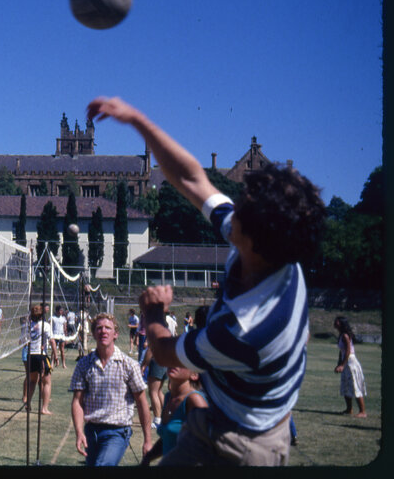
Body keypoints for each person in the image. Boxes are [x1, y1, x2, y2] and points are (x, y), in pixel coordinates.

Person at [88, 96, 327, 466]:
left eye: (243, 207)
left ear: (254, 239)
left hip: (246, 444)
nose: (235, 206)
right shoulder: (271, 246)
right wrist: (137, 120)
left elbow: (166, 353)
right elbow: (190, 178)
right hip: (219, 416)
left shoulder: (247, 327)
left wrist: (152, 313)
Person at [69, 312, 153, 466]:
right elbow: (77, 402)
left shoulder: (129, 365)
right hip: (91, 431)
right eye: (99, 328)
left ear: (115, 334)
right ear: (93, 333)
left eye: (108, 328)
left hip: (117, 432)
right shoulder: (83, 365)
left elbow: (141, 402)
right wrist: (79, 432)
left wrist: (148, 440)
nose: (103, 331)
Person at [140, 364, 207, 465]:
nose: (173, 363)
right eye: (172, 360)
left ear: (194, 374)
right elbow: (168, 438)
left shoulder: (194, 400)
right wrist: (148, 457)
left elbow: (208, 445)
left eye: (180, 362)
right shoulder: (169, 398)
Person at [26, 304, 58, 415]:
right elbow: (52, 341)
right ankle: (44, 408)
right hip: (41, 355)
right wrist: (56, 355)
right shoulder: (46, 325)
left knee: (32, 381)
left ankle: (28, 403)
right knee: (47, 382)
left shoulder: (29, 325)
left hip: (30, 355)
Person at [334, 316, 367, 418]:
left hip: (351, 362)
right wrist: (339, 364)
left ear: (341, 323)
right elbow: (342, 351)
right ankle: (349, 409)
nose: (335, 323)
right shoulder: (341, 335)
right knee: (346, 385)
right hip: (346, 361)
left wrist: (342, 365)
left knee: (355, 385)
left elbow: (348, 350)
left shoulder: (345, 335)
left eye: (337, 321)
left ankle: (363, 412)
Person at [50, 305, 68, 369]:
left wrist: (66, 337)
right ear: (57, 311)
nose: (61, 311)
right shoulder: (52, 318)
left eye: (62, 310)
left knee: (62, 350)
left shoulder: (63, 318)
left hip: (61, 336)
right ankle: (52, 363)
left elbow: (65, 328)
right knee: (53, 350)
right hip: (55, 335)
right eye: (60, 310)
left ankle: (63, 364)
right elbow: (50, 327)